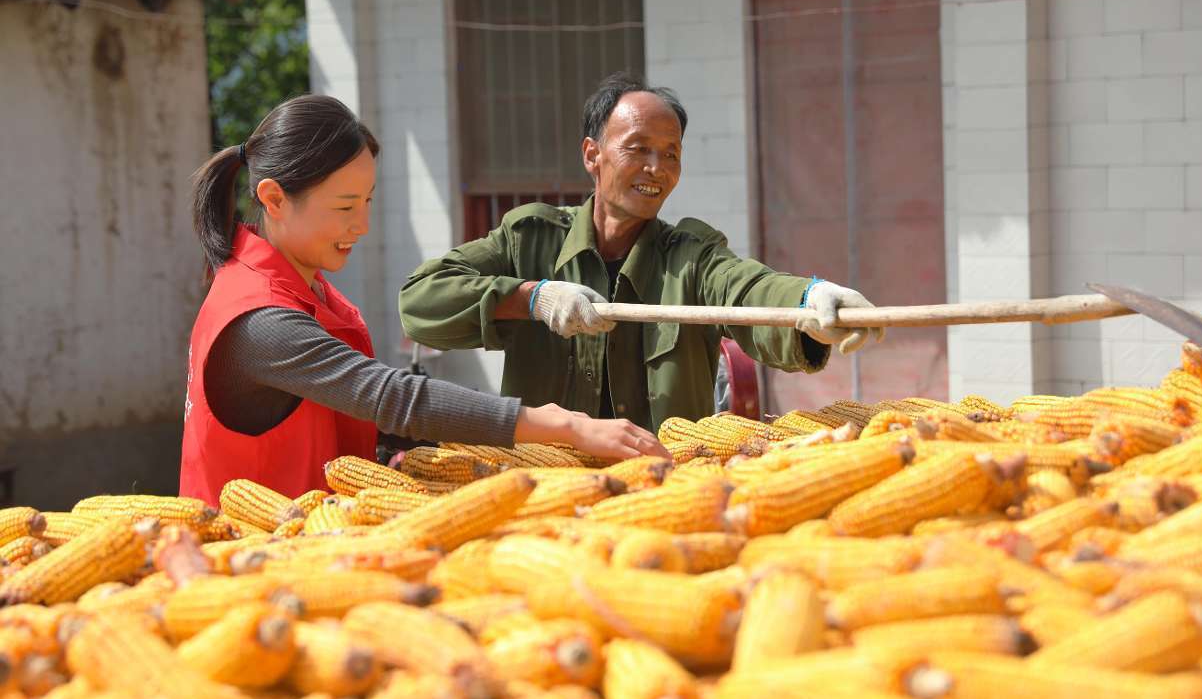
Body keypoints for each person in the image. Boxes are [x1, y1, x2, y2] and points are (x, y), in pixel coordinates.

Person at [179, 94, 665, 505]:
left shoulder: (301, 283)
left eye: (367, 201)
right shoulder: (259, 318)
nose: (362, 226)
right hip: (253, 562)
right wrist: (567, 426)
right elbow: (390, 396)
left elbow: (356, 410)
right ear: (275, 199)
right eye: (345, 207)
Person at [399, 72, 883, 432]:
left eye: (671, 153)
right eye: (639, 148)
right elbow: (421, 300)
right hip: (545, 495)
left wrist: (810, 300)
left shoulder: (691, 257)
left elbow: (749, 289)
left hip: (664, 496)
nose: (657, 168)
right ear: (592, 154)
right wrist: (531, 298)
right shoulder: (529, 238)